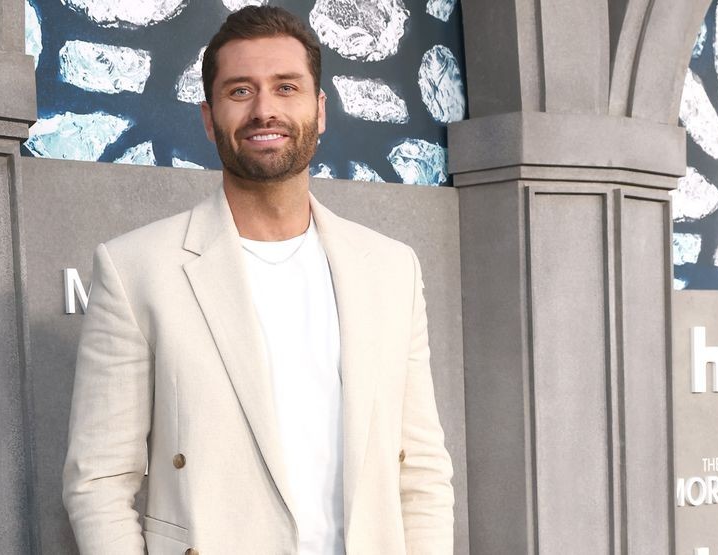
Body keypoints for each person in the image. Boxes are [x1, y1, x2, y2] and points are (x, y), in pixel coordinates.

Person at [62, 6, 454, 554]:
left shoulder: (390, 269)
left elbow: (422, 472)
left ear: (319, 111)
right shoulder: (136, 270)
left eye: (286, 87)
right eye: (240, 91)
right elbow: (99, 480)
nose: (264, 109)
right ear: (208, 116)